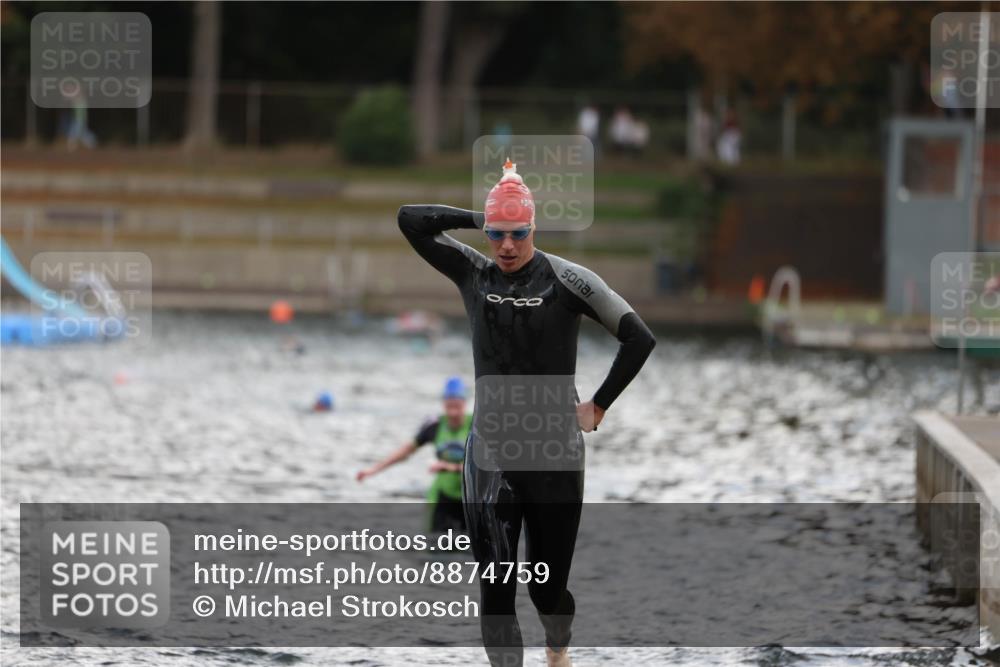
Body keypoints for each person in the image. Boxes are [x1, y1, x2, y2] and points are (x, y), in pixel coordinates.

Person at [397, 160, 656, 667]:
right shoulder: (473, 270)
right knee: (496, 595)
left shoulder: (568, 280)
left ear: (533, 228)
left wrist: (598, 405)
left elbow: (638, 338)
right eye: (498, 234)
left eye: (517, 233)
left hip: (555, 456)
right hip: (490, 453)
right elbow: (410, 219)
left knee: (547, 593)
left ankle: (558, 649)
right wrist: (485, 214)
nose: (507, 246)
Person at [356, 376, 471, 533]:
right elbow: (405, 451)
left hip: (470, 500)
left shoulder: (476, 425)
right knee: (435, 547)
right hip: (441, 498)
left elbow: (486, 464)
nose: (453, 413)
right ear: (443, 403)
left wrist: (450, 467)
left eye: (457, 406)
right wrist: (373, 470)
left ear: (464, 404)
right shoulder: (435, 425)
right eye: (449, 406)